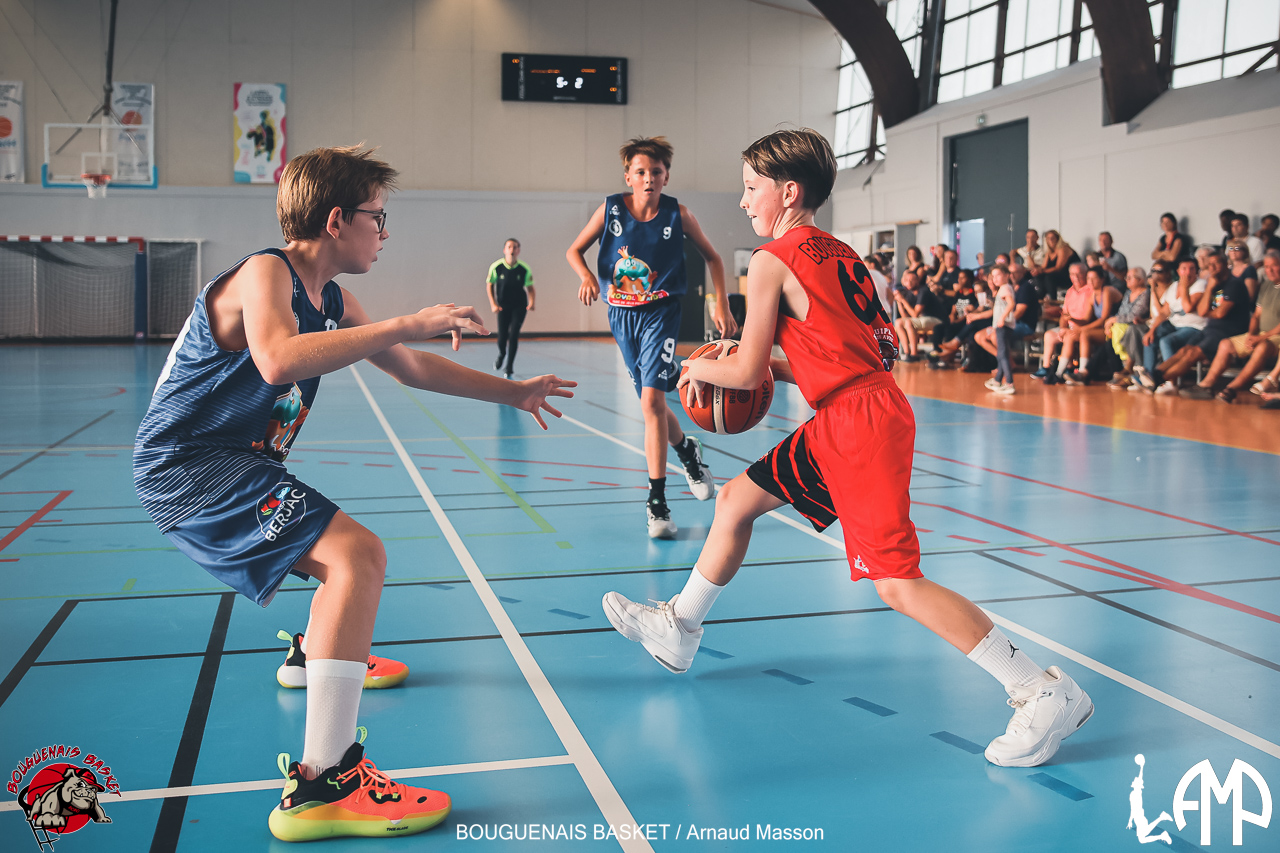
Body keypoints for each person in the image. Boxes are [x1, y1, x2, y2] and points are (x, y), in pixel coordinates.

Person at [601, 128, 1092, 769]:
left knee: (897, 583)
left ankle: (1039, 690)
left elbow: (745, 370)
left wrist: (695, 364)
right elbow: (854, 356)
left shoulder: (771, 259)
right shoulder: (841, 254)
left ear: (788, 192)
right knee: (736, 501)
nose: (744, 201)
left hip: (857, 424)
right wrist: (749, 369)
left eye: (751, 188)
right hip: (857, 409)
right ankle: (681, 627)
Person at [133, 146, 576, 842]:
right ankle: (323, 783)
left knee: (347, 560)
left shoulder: (332, 299)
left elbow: (411, 369)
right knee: (357, 557)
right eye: (378, 216)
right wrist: (404, 321)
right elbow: (277, 358)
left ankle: (317, 654)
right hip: (189, 465)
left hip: (235, 463)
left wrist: (513, 392)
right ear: (336, 220)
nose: (385, 231)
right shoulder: (264, 272)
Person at [566, 136, 735, 539]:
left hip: (662, 311)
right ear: (628, 176)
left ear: (666, 177)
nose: (648, 179)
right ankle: (687, 450)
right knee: (652, 403)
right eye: (640, 172)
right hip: (621, 315)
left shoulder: (679, 214)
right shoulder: (609, 209)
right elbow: (574, 251)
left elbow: (713, 257)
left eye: (655, 172)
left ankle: (657, 503)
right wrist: (587, 276)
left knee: (651, 401)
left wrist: (721, 304)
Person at [1150, 252, 1250, 396]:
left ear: (1225, 264)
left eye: (1216, 263)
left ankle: (1159, 379)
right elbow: (1203, 311)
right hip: (1210, 329)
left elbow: (1220, 313)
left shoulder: (1234, 284)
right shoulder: (1215, 286)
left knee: (1193, 353)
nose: (1212, 267)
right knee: (1184, 351)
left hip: (1227, 332)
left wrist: (1210, 311)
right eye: (1209, 265)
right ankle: (1155, 374)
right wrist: (1209, 288)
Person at [1194, 251, 1280, 402]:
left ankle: (1231, 389)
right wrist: (1252, 334)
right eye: (1266, 267)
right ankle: (1206, 385)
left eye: (1274, 266)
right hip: (1260, 334)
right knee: (1225, 344)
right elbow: (1256, 316)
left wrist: (1260, 338)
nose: (1270, 270)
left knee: (1262, 347)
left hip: (1275, 337)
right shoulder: (1266, 286)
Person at [1134, 258, 1207, 391]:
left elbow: (1188, 307)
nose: (1188, 272)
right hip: (1174, 324)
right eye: (1184, 269)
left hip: (1194, 327)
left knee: (1166, 341)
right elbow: (1163, 312)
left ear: (1196, 271)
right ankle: (1148, 379)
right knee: (1150, 338)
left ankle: (1170, 382)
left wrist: (1184, 287)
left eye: (1191, 269)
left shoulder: (1200, 284)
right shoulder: (1173, 286)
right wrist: (1152, 330)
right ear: (1178, 271)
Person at [1033, 263, 1092, 383]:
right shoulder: (1070, 291)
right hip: (1069, 326)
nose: (1075, 277)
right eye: (1072, 274)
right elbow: (1064, 315)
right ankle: (1046, 368)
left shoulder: (1090, 290)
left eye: (1079, 274)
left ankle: (1064, 371)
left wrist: (1069, 326)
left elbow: (1088, 318)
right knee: (1049, 335)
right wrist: (1062, 328)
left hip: (1083, 327)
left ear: (1085, 274)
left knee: (1069, 336)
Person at [486, 238, 535, 378]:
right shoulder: (496, 267)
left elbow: (530, 288)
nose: (512, 250)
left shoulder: (524, 269)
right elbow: (490, 285)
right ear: (505, 250)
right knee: (502, 337)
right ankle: (502, 354)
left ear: (518, 250)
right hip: (503, 307)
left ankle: (509, 367)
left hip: (519, 306)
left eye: (515, 247)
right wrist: (493, 304)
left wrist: (532, 302)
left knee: (513, 335)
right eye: (509, 247)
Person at [1104, 267, 1151, 388]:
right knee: (1109, 338)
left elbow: (1135, 315)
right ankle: (1121, 373)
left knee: (1129, 331)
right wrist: (1111, 323)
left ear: (1141, 280)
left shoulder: (1146, 293)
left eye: (1130, 277)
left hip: (1139, 325)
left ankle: (1129, 369)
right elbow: (1121, 312)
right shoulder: (1128, 293)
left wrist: (1113, 320)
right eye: (1126, 277)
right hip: (1123, 324)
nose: (1127, 280)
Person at [892, 270, 945, 361]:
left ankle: (914, 354)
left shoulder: (923, 291)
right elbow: (905, 317)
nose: (909, 282)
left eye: (912, 280)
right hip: (921, 319)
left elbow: (915, 314)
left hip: (936, 319)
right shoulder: (909, 293)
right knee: (898, 322)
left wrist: (903, 300)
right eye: (907, 280)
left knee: (909, 322)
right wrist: (899, 301)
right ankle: (907, 353)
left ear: (917, 281)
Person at [986, 263, 1019, 395]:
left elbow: (1011, 304)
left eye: (998, 275)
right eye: (993, 276)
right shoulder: (1004, 288)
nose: (995, 279)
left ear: (1006, 275)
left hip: (1003, 326)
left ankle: (1009, 382)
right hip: (1002, 325)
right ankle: (997, 380)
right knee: (1001, 353)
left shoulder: (1005, 288)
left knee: (1003, 354)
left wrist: (1002, 318)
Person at [1040, 230, 1079, 300]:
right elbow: (1043, 267)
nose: (1051, 240)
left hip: (1070, 277)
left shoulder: (1063, 248)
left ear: (1057, 239)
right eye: (1048, 238)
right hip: (1057, 277)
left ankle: (1053, 301)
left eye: (1053, 238)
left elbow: (1058, 268)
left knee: (1049, 278)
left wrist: (1041, 271)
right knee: (1037, 277)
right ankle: (1039, 299)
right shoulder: (1049, 252)